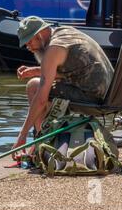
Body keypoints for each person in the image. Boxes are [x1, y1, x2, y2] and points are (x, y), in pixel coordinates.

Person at [12, 17, 114, 156]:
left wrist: (22, 135)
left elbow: (41, 99)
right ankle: (47, 140)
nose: (29, 48)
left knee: (34, 86)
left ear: (40, 35)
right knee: (40, 84)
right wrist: (37, 71)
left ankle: (40, 144)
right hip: (111, 93)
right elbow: (76, 71)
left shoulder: (54, 48)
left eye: (29, 42)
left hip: (94, 97)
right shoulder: (65, 32)